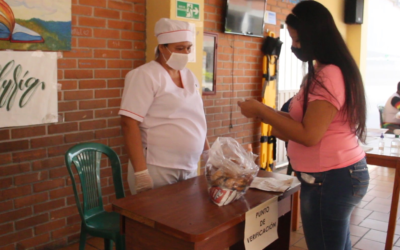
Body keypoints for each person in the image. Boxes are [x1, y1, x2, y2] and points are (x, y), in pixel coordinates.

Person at [238, 1, 369, 249]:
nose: (294, 47)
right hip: (333, 175)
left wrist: (262, 111)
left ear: (316, 36)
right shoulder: (323, 71)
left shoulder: (329, 75)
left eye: (298, 40)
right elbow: (302, 121)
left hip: (331, 178)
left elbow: (309, 135)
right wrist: (265, 113)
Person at [119, 18, 209, 195]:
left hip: (189, 165)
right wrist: (141, 172)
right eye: (179, 48)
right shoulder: (145, 75)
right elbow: (128, 123)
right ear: (162, 47)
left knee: (186, 219)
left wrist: (207, 153)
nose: (185, 53)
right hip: (158, 167)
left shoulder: (189, 75)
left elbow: (197, 117)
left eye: (188, 47)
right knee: (157, 219)